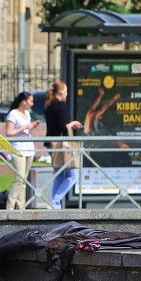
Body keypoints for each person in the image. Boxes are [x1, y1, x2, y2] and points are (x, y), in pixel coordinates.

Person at [45, 80, 82, 209]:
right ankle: (55, 201)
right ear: (61, 92)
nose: (67, 93)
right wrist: (73, 124)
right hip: (61, 145)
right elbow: (63, 127)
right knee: (73, 175)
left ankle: (54, 205)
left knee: (59, 174)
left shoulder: (49, 105)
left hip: (52, 144)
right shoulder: (60, 105)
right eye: (66, 91)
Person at [4, 91, 37, 210]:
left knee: (24, 180)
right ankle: (10, 206)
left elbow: (26, 131)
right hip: (18, 149)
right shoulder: (13, 114)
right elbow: (9, 133)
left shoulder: (27, 113)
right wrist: (24, 127)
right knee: (19, 178)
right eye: (31, 101)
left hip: (29, 149)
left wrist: (31, 127)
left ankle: (21, 207)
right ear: (24, 101)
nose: (32, 104)